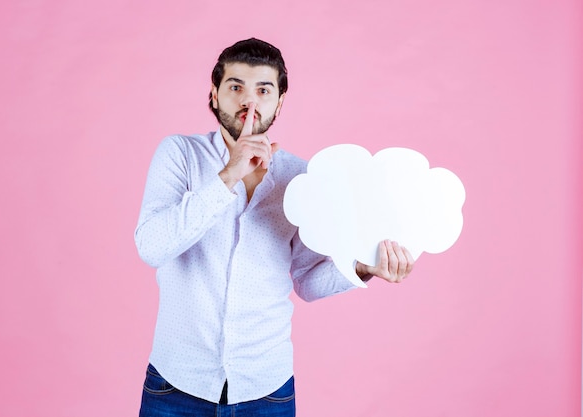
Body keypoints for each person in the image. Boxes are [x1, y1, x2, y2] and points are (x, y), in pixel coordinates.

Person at [135, 38, 414, 417]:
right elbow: (152, 247)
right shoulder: (179, 155)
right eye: (236, 87)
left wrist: (363, 267)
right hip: (176, 385)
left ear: (280, 102)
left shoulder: (300, 178)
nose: (249, 101)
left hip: (266, 391)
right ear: (214, 95)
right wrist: (229, 175)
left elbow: (306, 282)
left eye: (263, 90)